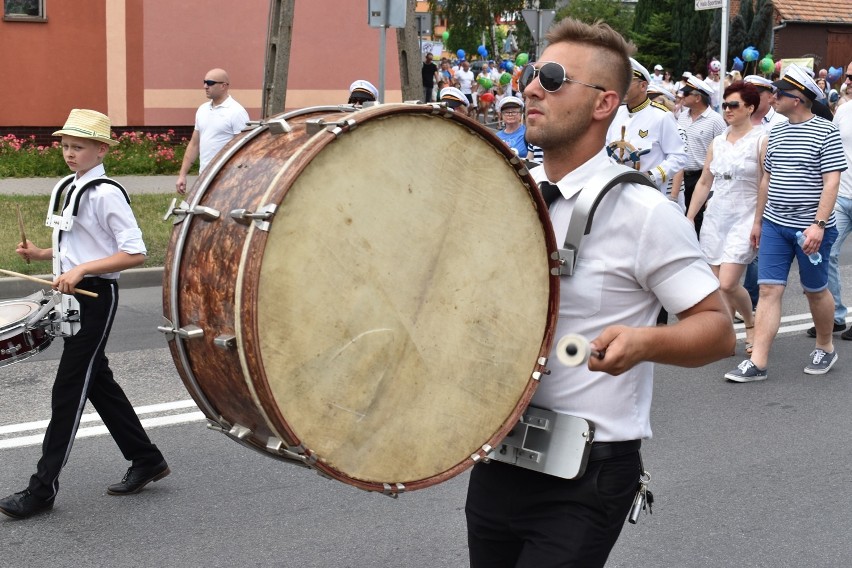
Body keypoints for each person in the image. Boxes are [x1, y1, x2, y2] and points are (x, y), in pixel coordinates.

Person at [464, 18, 734, 567]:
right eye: (532, 75)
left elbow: (719, 330)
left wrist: (644, 342)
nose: (531, 88)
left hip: (583, 474)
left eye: (554, 78)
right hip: (499, 457)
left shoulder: (644, 213)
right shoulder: (510, 194)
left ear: (604, 103)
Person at [1, 109, 169, 520]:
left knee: (68, 391)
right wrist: (44, 255)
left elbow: (135, 252)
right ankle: (146, 458)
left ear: (101, 149)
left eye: (78, 147)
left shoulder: (106, 192)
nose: (69, 153)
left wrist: (80, 270)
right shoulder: (71, 186)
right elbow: (81, 242)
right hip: (71, 298)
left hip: (95, 297)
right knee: (98, 383)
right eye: (65, 146)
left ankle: (41, 491)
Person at [725, 64, 847, 382]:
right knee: (768, 290)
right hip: (776, 225)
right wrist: (759, 222)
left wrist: (819, 225)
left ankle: (825, 346)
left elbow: (831, 182)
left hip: (812, 228)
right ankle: (759, 362)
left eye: (780, 93)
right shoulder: (775, 131)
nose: (773, 97)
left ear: (798, 100)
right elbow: (767, 178)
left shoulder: (826, 131)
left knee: (815, 291)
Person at [686, 81, 768, 355]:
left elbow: (764, 183)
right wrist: (690, 217)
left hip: (745, 214)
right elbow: (704, 183)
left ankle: (751, 323)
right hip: (716, 215)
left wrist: (758, 221)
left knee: (728, 282)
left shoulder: (761, 138)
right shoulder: (717, 141)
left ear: (750, 108)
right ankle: (725, 334)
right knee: (716, 285)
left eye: (734, 105)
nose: (728, 110)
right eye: (725, 105)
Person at [740, 75, 789, 312]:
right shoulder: (740, 119)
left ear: (770, 96)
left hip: (768, 194)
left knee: (759, 251)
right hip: (739, 194)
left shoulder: (780, 122)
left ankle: (754, 301)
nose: (753, 97)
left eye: (758, 92)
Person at [606, 58, 687, 197]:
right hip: (616, 192)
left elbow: (678, 157)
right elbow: (606, 149)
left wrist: (651, 176)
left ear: (643, 86)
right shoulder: (616, 114)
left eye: (627, 82)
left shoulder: (661, 116)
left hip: (648, 194)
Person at [176, 68, 250, 195]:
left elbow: (245, 149)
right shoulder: (202, 110)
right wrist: (182, 175)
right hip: (204, 177)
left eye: (210, 83)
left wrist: (239, 179)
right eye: (204, 82)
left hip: (226, 178)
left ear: (223, 86)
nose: (205, 86)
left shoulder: (237, 112)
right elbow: (194, 144)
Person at [670, 75, 727, 236]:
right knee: (680, 218)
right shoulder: (682, 116)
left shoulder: (715, 120)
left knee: (699, 221)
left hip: (702, 177)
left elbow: (723, 152)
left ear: (697, 97)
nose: (682, 96)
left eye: (687, 94)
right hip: (680, 176)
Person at [820, 62, 852, 341]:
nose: (847, 81)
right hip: (842, 195)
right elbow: (830, 147)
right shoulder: (842, 110)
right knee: (827, 254)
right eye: (847, 76)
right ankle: (836, 316)